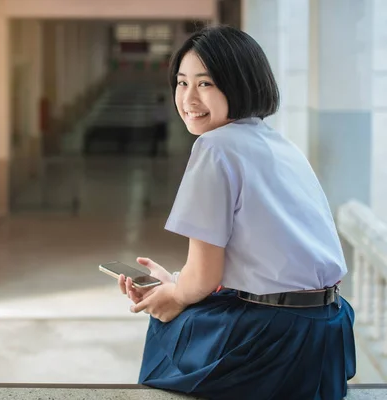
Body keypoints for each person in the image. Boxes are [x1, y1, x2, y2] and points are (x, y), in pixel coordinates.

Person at [117, 26, 355, 400]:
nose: (188, 98)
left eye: (206, 83)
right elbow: (258, 260)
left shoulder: (214, 147)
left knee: (168, 327)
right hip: (330, 327)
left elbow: (205, 276)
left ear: (239, 84)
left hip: (277, 335)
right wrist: (179, 281)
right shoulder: (280, 143)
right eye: (181, 83)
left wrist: (177, 294)